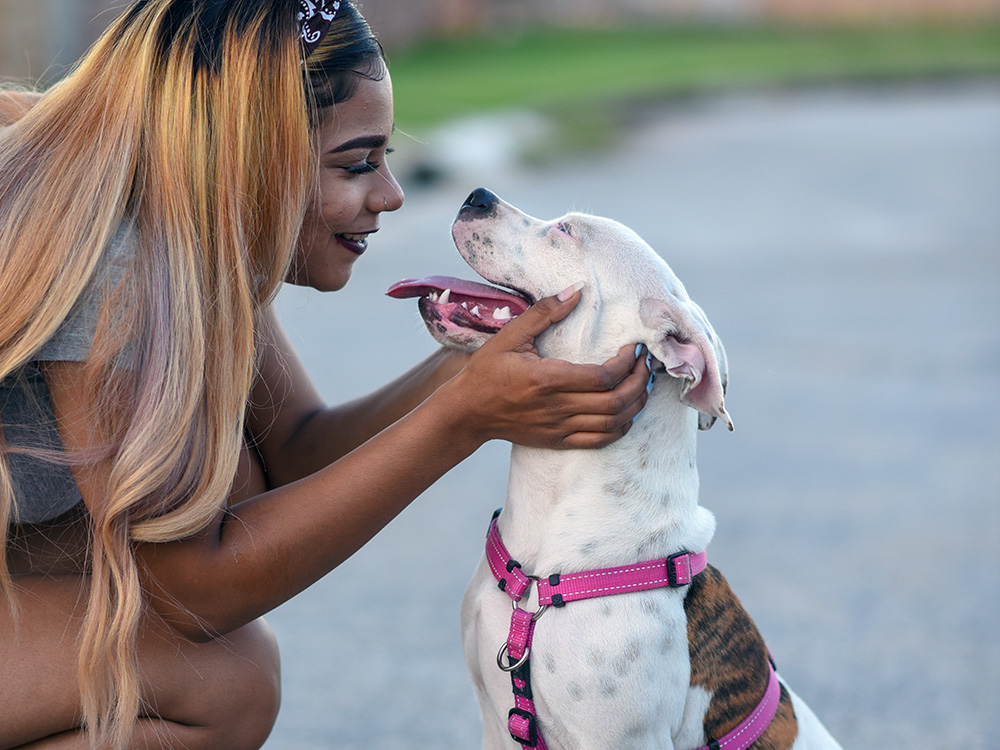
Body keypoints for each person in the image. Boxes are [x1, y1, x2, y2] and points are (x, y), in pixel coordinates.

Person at [0, 1, 650, 748]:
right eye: (355, 163)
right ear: (245, 150)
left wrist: (469, 365)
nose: (389, 197)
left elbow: (299, 448)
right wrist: (466, 418)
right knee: (226, 685)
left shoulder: (187, 223)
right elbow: (190, 589)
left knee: (229, 487)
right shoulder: (111, 254)